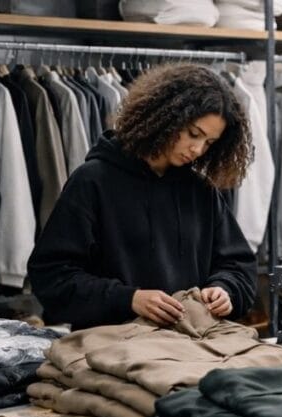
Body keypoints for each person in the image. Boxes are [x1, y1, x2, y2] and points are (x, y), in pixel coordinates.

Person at [28, 64, 256, 330]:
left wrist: (225, 289)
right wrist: (129, 299)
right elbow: (52, 277)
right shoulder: (93, 181)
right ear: (167, 117)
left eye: (209, 143)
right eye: (194, 134)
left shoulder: (201, 191)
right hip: (114, 343)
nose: (197, 149)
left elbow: (238, 266)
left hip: (189, 340)